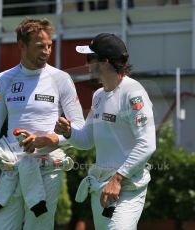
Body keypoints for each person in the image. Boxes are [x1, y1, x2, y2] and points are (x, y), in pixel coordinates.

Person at [0, 18, 84, 230]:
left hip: (47, 171)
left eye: (49, 46)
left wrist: (49, 139)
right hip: (12, 169)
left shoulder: (61, 79)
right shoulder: (4, 79)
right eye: (39, 46)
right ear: (21, 45)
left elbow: (80, 127)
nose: (46, 51)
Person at [55, 33, 156, 229]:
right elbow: (86, 140)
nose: (86, 64)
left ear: (105, 62)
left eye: (89, 58)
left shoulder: (133, 93)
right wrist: (68, 132)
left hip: (127, 186)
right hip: (101, 186)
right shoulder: (99, 96)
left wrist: (117, 179)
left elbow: (147, 144)